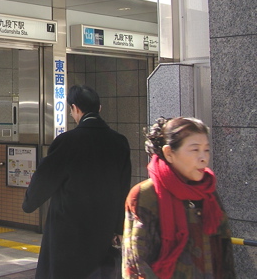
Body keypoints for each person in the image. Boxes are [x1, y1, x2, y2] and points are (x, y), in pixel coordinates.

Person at [23, 84, 132, 278]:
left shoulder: (67, 141)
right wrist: (118, 227)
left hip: (67, 230)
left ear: (75, 108)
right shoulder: (119, 142)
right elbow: (123, 188)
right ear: (99, 108)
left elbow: (44, 180)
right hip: (103, 229)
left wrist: (29, 203)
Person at [122, 117, 235, 278]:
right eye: (195, 150)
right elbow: (136, 266)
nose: (203, 158)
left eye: (206, 150)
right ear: (169, 153)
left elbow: (225, 259)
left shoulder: (208, 194)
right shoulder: (146, 195)